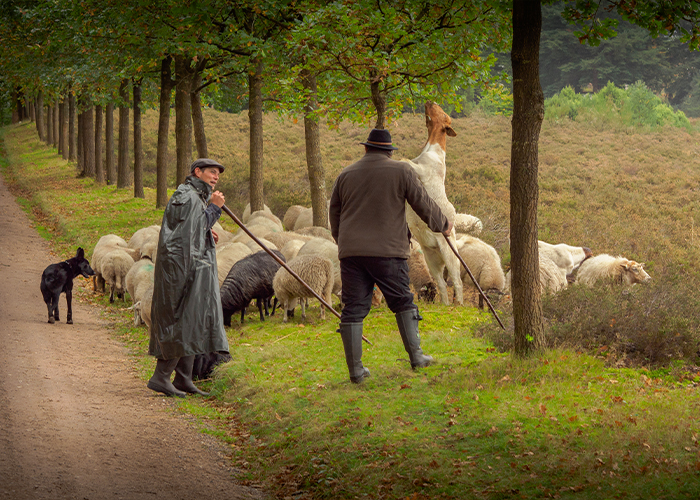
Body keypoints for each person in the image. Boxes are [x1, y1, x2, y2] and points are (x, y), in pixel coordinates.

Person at [329, 129, 453, 383]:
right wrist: (442, 224)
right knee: (402, 301)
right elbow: (422, 203)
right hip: (388, 252)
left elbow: (335, 213)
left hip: (351, 253)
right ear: (389, 152)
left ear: (366, 148)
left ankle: (355, 372)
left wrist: (344, 242)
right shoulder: (401, 171)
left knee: (353, 308)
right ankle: (417, 357)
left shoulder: (345, 174)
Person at [147, 158, 230, 397]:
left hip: (191, 267)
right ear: (197, 171)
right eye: (212, 172)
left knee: (194, 319)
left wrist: (207, 231)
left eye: (218, 174)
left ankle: (184, 378)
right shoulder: (188, 196)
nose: (216, 177)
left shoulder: (195, 196)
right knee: (183, 318)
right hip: (182, 270)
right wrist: (214, 209)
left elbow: (191, 230)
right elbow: (186, 235)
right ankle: (161, 377)